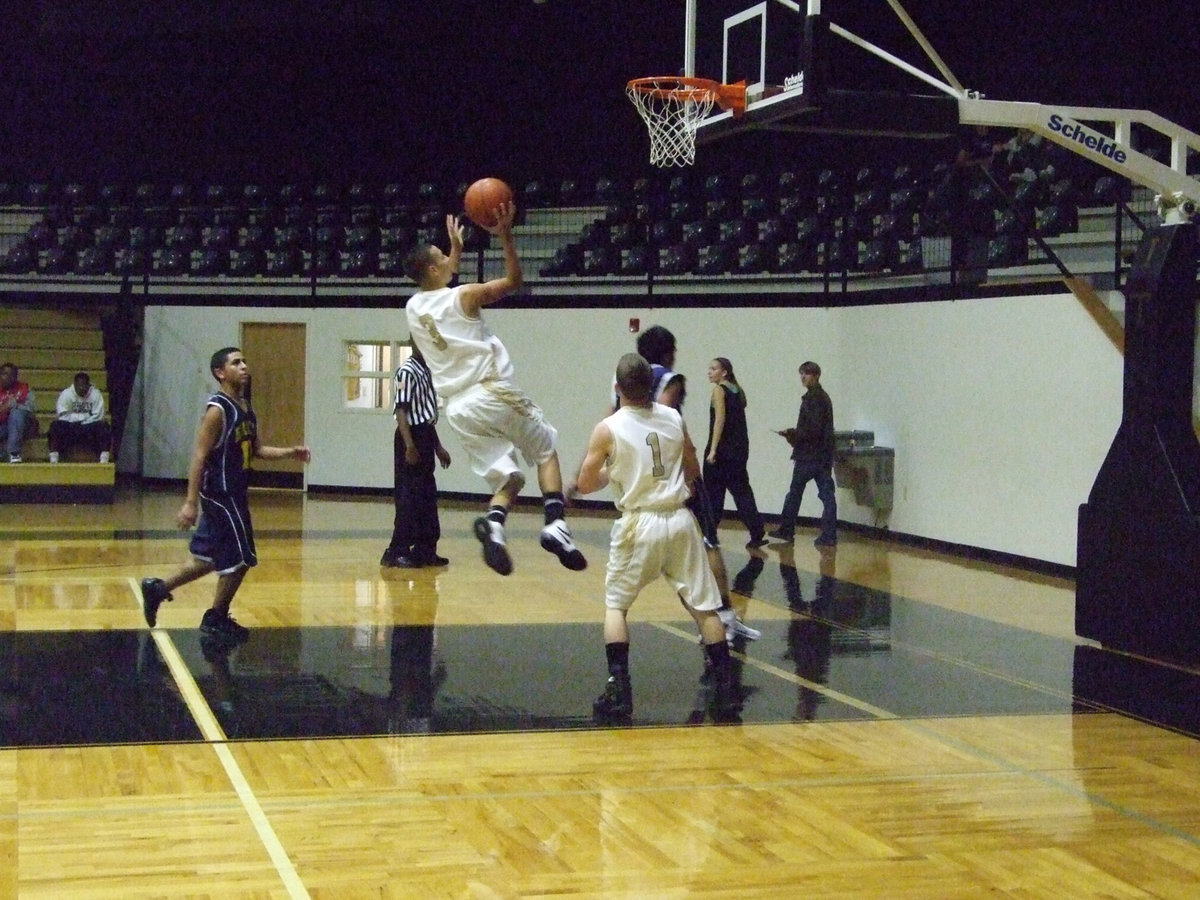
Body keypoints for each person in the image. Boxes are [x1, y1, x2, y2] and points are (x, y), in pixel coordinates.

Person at [403, 202, 586, 576]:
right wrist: (504, 236)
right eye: (443, 256)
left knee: (510, 478)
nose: (450, 259)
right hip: (489, 391)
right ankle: (555, 524)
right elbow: (514, 281)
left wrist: (454, 250)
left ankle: (496, 525)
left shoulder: (412, 308)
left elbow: (439, 286)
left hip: (458, 410)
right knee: (545, 449)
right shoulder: (465, 296)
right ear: (435, 269)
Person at [575, 352, 741, 724]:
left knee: (616, 606)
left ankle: (620, 689)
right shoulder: (673, 417)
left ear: (618, 388)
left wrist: (609, 472)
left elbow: (586, 483)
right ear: (652, 386)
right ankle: (727, 688)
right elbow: (692, 466)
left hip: (640, 523)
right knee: (704, 608)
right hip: (680, 519)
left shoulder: (608, 427)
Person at [140, 347, 311, 643]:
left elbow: (256, 450)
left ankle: (157, 588)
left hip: (235, 492)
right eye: (236, 363)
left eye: (244, 361)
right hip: (220, 494)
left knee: (206, 559)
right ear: (220, 372)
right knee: (243, 558)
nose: (244, 366)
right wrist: (190, 502)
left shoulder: (245, 407)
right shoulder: (217, 410)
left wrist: (289, 452)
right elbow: (198, 456)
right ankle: (216, 617)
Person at [631, 326, 760, 642]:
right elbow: (667, 420)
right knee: (709, 542)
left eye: (713, 368)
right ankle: (725, 618)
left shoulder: (624, 383)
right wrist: (693, 464)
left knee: (663, 565)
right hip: (677, 473)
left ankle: (711, 623)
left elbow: (609, 421)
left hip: (639, 479)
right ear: (668, 352)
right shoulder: (672, 381)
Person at [380, 345, 452, 568]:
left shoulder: (426, 370)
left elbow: (426, 416)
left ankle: (425, 549)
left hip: (425, 435)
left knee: (427, 496)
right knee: (408, 497)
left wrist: (438, 447)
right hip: (409, 437)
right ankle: (396, 551)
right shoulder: (407, 371)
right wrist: (409, 446)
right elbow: (401, 410)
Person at [769, 360, 838, 547]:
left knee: (795, 493)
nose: (802, 377)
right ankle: (829, 534)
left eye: (806, 374)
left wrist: (792, 434)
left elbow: (812, 430)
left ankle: (787, 530)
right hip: (822, 456)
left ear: (815, 375)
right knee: (826, 495)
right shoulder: (823, 397)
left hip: (809, 456)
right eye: (801, 373)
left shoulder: (812, 399)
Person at [703, 357, 767, 549]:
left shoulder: (718, 390)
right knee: (742, 492)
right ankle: (756, 530)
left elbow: (719, 420)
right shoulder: (737, 390)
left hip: (722, 450)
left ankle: (710, 535)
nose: (709, 372)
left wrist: (713, 449)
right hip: (739, 450)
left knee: (713, 493)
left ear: (724, 372)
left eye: (713, 369)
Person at [48, 372, 112, 463]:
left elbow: (98, 416)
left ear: (88, 385)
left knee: (104, 426)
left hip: (89, 428)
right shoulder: (66, 394)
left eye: (84, 385)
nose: (82, 388)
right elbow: (63, 416)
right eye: (79, 385)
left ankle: (104, 459)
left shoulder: (96, 395)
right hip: (71, 427)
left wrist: (78, 419)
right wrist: (86, 416)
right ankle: (54, 458)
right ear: (74, 385)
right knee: (55, 425)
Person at [0, 362, 36, 464]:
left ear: (15, 377)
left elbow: (30, 409)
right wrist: (4, 408)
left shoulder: (25, 389)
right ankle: (3, 455)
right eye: (4, 374)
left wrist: (12, 406)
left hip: (22, 425)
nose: (8, 377)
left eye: (12, 375)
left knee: (17, 413)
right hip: (3, 425)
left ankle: (14, 453)